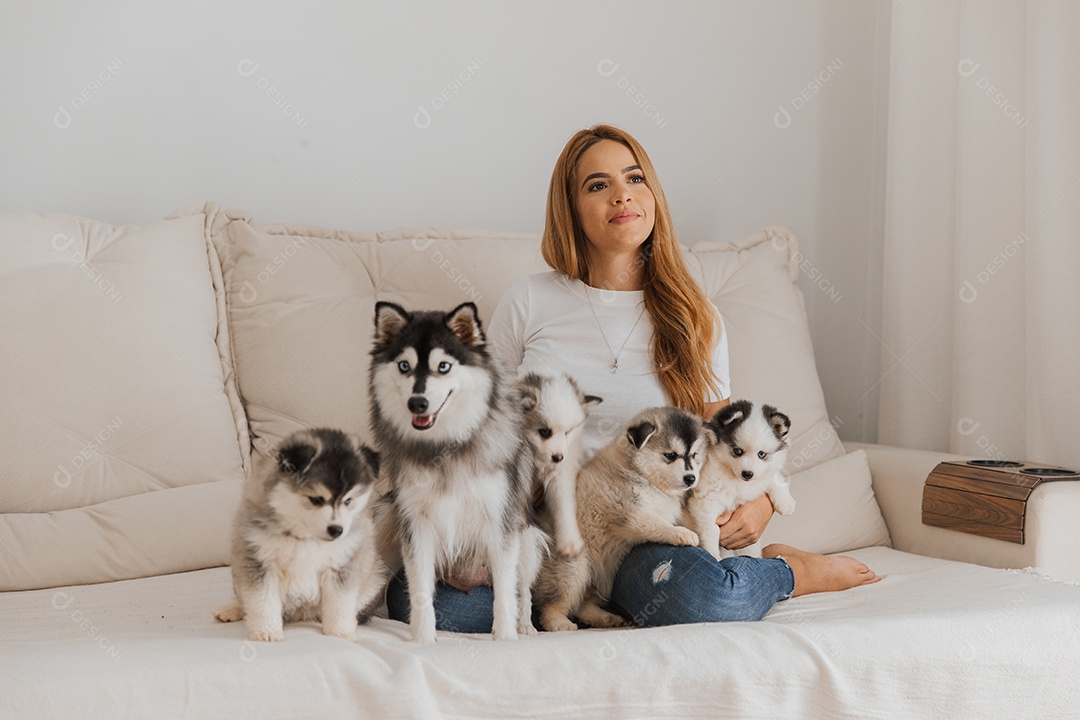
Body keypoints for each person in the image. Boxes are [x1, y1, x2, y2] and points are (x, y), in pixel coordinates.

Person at [385, 124, 878, 632]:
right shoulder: (529, 301)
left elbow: (724, 438)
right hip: (541, 525)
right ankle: (586, 600)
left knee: (704, 598)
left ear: (653, 197)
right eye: (597, 185)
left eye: (634, 178)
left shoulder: (696, 317)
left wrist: (763, 504)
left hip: (644, 530)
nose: (621, 194)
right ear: (570, 209)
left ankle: (786, 570)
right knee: (416, 599)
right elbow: (487, 426)